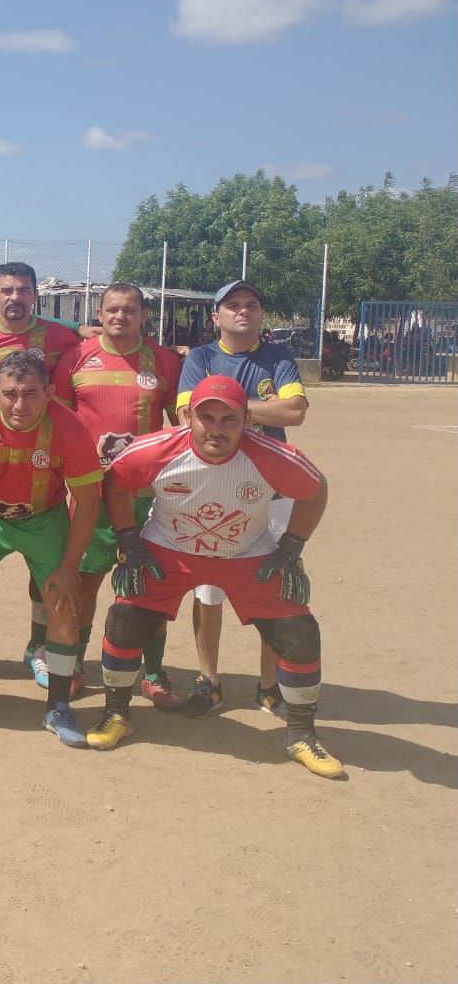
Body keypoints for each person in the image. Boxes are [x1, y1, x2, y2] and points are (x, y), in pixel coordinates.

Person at [87, 375, 342, 778]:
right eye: (207, 418)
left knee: (298, 631)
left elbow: (315, 489)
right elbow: (116, 481)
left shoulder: (270, 455)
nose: (217, 429)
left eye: (229, 419)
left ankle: (300, 734)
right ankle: (115, 714)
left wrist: (292, 547)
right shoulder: (158, 449)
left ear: (247, 419)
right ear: (188, 416)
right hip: (169, 550)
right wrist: (129, 539)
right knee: (125, 619)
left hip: (247, 554)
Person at [0, 349, 103, 743]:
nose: (19, 404)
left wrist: (69, 565)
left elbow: (89, 502)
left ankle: (58, 707)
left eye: (30, 394)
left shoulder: (69, 428)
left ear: (49, 392)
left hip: (43, 518)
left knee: (62, 600)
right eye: (10, 393)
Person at [176, 280, 309, 718]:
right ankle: (209, 680)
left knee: (272, 587)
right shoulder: (201, 358)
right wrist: (249, 413)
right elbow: (185, 415)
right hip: (214, 486)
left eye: (252, 304)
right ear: (216, 316)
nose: (243, 311)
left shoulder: (277, 358)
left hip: (272, 488)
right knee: (208, 589)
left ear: (261, 314)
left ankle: (269, 686)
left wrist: (229, 410)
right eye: (232, 305)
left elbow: (295, 411)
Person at [51, 282, 182, 705]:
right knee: (84, 581)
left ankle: (155, 672)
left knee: (150, 585)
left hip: (146, 496)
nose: (119, 317)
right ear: (99, 313)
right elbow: (59, 420)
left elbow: (180, 426)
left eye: (129, 310)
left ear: (145, 314)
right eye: (111, 309)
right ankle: (73, 665)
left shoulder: (162, 360)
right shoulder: (75, 358)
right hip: (90, 495)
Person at [0, 262, 83, 683]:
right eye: (7, 290)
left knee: (47, 577)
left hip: (40, 457)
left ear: (35, 296)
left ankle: (38, 646)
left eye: (24, 290)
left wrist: (92, 329)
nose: (15, 297)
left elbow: (89, 339)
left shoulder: (57, 335)